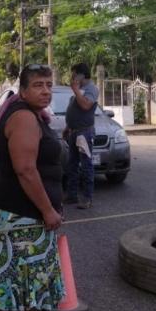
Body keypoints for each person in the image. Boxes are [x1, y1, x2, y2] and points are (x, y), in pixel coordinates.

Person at [0, 64, 65, 311]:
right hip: (22, 212)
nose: (45, 90)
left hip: (10, 209)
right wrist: (48, 210)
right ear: (22, 90)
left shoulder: (30, 114)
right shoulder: (25, 117)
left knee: (9, 267)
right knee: (30, 268)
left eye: (49, 84)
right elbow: (26, 169)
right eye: (38, 85)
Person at [63, 62, 99, 210]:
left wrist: (76, 91)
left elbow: (86, 105)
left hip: (84, 133)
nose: (72, 76)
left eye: (74, 73)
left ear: (81, 75)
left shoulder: (91, 89)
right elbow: (75, 109)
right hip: (74, 131)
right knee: (72, 165)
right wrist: (68, 126)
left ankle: (87, 198)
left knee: (86, 166)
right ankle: (72, 195)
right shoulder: (81, 89)